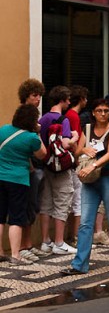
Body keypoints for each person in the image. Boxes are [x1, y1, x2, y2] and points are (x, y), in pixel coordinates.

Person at [61, 98, 109, 275]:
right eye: (99, 110)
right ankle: (80, 264)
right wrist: (84, 150)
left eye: (105, 111)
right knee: (85, 222)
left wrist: (93, 165)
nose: (102, 114)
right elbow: (77, 151)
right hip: (90, 180)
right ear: (93, 112)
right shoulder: (87, 129)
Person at [0, 105, 47, 265]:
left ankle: (0, 252)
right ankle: (15, 255)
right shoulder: (31, 137)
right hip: (18, 180)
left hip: (0, 177)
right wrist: (38, 132)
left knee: (0, 217)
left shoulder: (3, 129)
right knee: (16, 218)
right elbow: (42, 154)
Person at [38, 85, 77, 256]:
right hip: (61, 167)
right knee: (62, 202)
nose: (69, 102)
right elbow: (66, 143)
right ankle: (59, 242)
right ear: (62, 100)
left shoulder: (42, 119)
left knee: (46, 203)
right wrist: (75, 136)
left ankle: (45, 241)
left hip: (46, 165)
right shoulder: (63, 120)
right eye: (68, 99)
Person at [16, 79, 47, 261]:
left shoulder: (34, 116)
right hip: (26, 168)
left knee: (33, 206)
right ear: (26, 96)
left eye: (39, 96)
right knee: (25, 206)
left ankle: (28, 243)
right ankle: (22, 246)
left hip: (35, 167)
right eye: (35, 95)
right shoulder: (22, 117)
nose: (38, 99)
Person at [65, 86, 87, 243]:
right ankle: (76, 236)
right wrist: (78, 155)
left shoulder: (71, 115)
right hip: (74, 161)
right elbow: (75, 140)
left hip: (73, 160)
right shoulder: (73, 116)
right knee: (77, 200)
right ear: (81, 99)